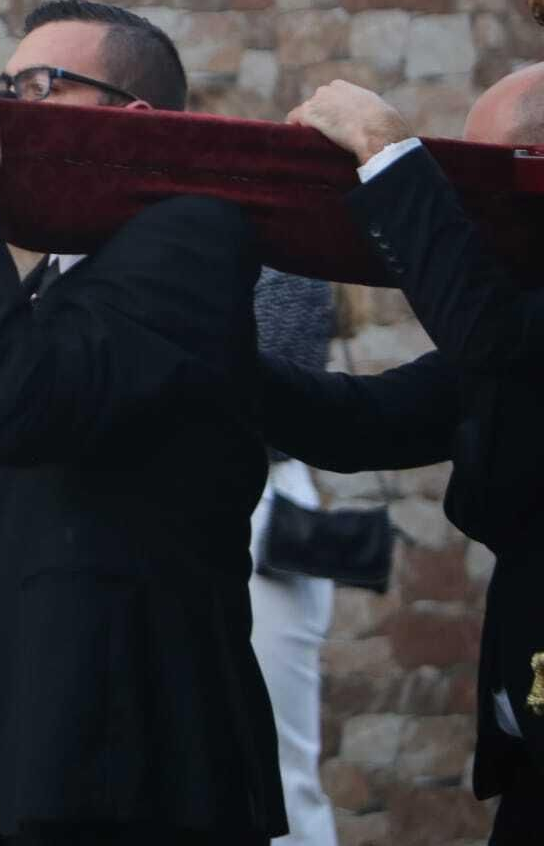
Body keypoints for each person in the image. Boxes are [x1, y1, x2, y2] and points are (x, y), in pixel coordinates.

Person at [0, 0, 285, 846]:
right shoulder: (39, 286)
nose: (7, 111)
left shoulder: (190, 240)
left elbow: (27, 410)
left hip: (127, 763)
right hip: (10, 763)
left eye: (40, 86)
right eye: (5, 85)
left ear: (133, 119)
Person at [268, 66, 544, 843]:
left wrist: (390, 152)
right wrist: (202, 352)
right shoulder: (513, 329)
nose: (465, 209)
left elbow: (487, 334)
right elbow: (365, 422)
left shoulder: (506, 331)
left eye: (480, 181)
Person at [249, 271, 338, 846]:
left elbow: (273, 402)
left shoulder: (286, 261)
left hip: (262, 502)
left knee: (278, 768)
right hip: (204, 496)